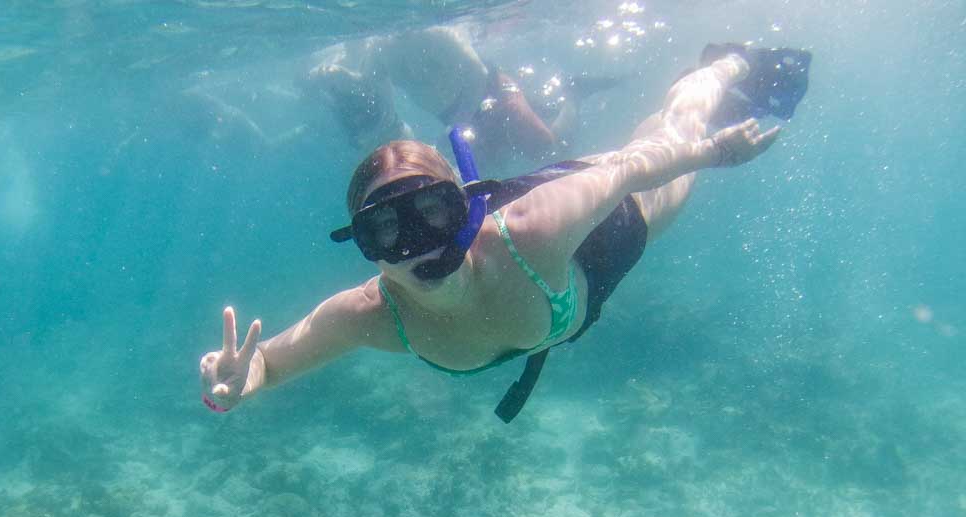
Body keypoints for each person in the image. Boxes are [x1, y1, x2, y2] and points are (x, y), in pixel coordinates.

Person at [200, 43, 812, 422]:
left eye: (434, 213)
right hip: (552, 294)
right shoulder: (370, 316)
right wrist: (238, 385)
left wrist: (707, 155)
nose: (421, 245)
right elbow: (267, 364)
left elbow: (629, 167)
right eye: (386, 231)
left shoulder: (538, 227)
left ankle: (724, 63)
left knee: (668, 132)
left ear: (464, 206)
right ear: (364, 248)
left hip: (599, 240)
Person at [301, 25, 620, 170]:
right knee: (491, 171)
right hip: (459, 117)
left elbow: (476, 72)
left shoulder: (433, 33)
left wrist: (465, 122)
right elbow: (368, 89)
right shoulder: (379, 50)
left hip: (491, 93)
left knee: (546, 149)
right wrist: (334, 75)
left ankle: (573, 96)